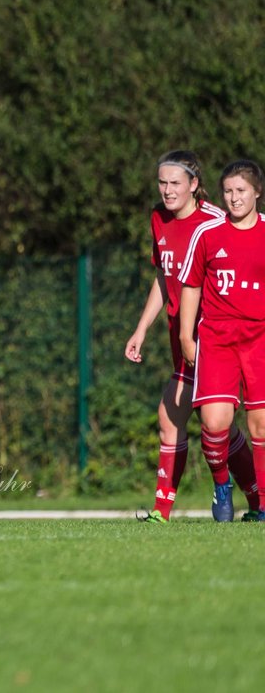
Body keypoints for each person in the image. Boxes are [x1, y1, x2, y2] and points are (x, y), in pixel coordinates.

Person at [125, 151, 260, 523]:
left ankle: (163, 509)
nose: (167, 190)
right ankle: (254, 498)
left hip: (211, 340)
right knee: (216, 426)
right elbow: (164, 278)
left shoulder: (216, 221)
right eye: (162, 182)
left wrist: (200, 337)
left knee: (176, 418)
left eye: (175, 183)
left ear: (194, 185)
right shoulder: (159, 218)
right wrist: (141, 329)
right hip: (181, 339)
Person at [178, 159, 265, 523]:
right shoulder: (209, 234)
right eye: (228, 191)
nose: (234, 198)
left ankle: (261, 505)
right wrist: (186, 335)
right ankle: (221, 485)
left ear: (257, 192)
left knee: (261, 425)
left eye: (241, 191)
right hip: (217, 337)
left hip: (259, 337)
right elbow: (191, 285)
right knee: (215, 423)